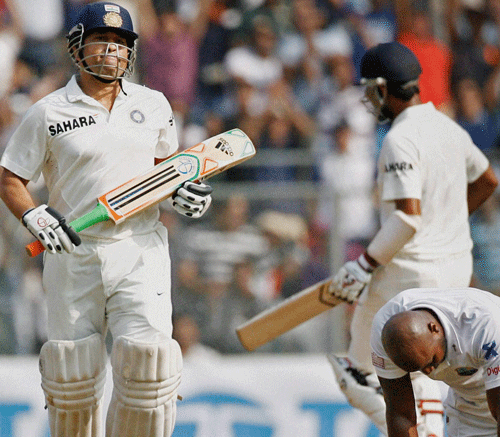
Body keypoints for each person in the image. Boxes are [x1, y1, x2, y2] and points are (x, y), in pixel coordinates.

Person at [0, 3, 213, 437]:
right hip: (73, 255)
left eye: (121, 43)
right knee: (73, 379)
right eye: (102, 40)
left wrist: (182, 195)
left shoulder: (154, 105)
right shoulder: (49, 111)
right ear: (78, 48)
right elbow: (10, 178)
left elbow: (166, 172)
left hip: (140, 249)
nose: (112, 51)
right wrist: (35, 215)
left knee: (149, 366)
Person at [326, 41, 499, 436]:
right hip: (455, 272)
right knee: (429, 371)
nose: (371, 99)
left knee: (354, 374)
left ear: (384, 89)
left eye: (371, 90)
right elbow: (488, 180)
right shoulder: (449, 127)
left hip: (408, 273)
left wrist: (363, 266)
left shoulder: (398, 139)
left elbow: (406, 218)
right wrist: (449, 220)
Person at [371, 287, 500, 437]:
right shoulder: (386, 334)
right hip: (469, 407)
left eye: (431, 361)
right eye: (419, 369)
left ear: (434, 329)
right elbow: (400, 413)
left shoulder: (486, 325)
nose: (428, 371)